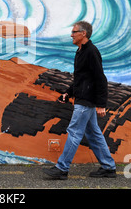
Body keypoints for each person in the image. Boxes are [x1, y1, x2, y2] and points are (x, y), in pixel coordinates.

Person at [43, 21, 116, 179]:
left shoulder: (91, 52)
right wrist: (68, 93)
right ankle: (109, 167)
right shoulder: (81, 51)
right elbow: (81, 79)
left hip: (86, 101)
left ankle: (62, 168)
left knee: (74, 132)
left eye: (74, 32)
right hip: (83, 99)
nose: (71, 34)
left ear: (83, 33)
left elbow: (100, 79)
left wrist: (101, 104)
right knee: (94, 134)